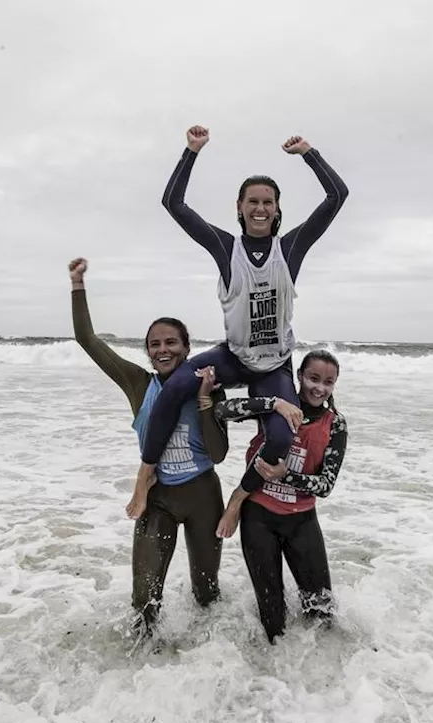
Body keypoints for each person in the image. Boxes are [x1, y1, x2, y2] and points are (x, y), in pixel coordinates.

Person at [126, 124, 349, 527]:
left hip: (274, 367)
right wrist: (191, 151)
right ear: (240, 206)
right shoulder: (226, 248)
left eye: (268, 202)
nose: (260, 208)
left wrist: (309, 153)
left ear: (278, 209)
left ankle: (238, 498)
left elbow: (337, 197)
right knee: (174, 387)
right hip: (234, 357)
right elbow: (173, 203)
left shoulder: (291, 248)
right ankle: (146, 471)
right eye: (252, 201)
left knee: (281, 439)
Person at [69, 257, 302, 637]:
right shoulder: (138, 384)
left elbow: (218, 455)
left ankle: (205, 667)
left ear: (186, 348)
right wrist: (77, 285)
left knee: (207, 594)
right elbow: (88, 341)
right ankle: (141, 674)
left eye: (171, 343)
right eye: (155, 344)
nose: (163, 350)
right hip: (157, 497)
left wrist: (207, 402)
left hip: (203, 498)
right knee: (144, 600)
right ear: (147, 351)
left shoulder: (206, 386)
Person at [212, 350, 348, 643]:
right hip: (258, 517)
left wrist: (284, 475)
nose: (319, 388)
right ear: (299, 376)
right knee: (272, 615)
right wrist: (273, 403)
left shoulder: (334, 423)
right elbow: (222, 410)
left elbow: (325, 486)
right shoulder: (279, 410)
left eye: (328, 382)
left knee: (321, 610)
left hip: (301, 521)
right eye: (313, 378)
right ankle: (272, 674)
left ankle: (327, 673)